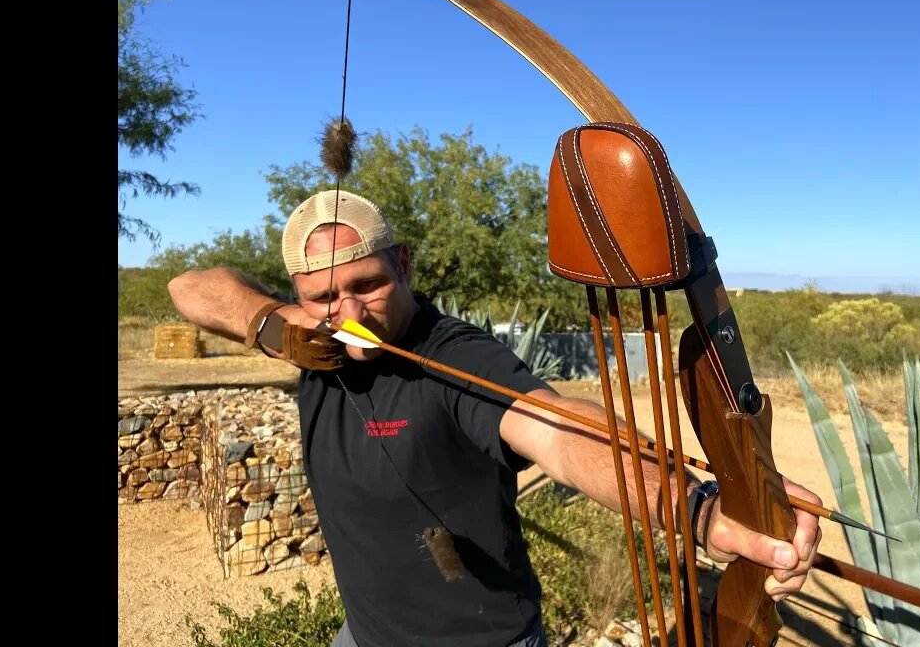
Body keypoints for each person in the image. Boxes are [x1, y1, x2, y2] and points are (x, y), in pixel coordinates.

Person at [168, 189, 824, 647]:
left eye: (367, 285)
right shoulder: (312, 333)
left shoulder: (454, 356)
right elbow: (188, 288)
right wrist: (267, 326)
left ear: (403, 265)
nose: (349, 313)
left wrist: (698, 508)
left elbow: (559, 429)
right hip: (365, 637)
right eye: (323, 296)